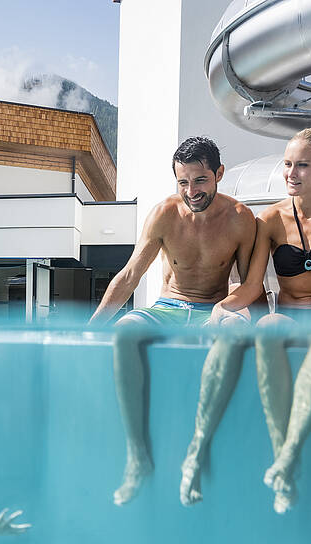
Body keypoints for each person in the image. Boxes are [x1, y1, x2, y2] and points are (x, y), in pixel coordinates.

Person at [183, 127, 311, 514]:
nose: (291, 173)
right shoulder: (268, 219)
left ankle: (286, 463)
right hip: (288, 315)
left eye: (302, 165)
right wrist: (225, 306)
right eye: (287, 164)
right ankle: (284, 459)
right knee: (266, 328)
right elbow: (253, 286)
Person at [89, 136, 259, 505]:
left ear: (219, 174)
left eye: (200, 181)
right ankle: (137, 457)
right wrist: (92, 328)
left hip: (214, 308)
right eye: (183, 182)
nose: (191, 191)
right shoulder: (164, 214)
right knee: (124, 332)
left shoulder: (241, 219)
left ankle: (199, 452)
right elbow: (130, 275)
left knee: (237, 334)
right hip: (168, 307)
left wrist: (229, 315)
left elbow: (248, 287)